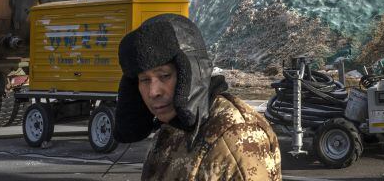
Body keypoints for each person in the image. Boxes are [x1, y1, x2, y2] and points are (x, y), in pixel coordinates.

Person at [115, 13, 282, 180]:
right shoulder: (172, 126)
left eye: (165, 76)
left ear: (193, 72)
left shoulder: (235, 136)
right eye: (144, 80)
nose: (153, 92)